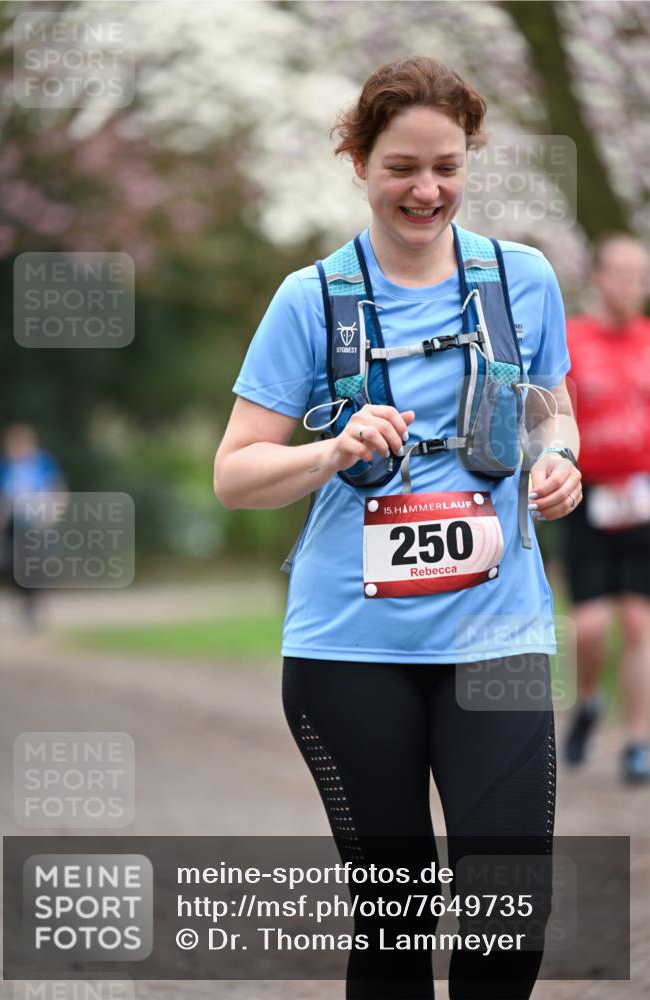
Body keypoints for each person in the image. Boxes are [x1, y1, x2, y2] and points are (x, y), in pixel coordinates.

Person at [215, 56, 581, 999]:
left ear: (469, 163)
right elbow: (235, 474)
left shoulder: (522, 280)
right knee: (397, 916)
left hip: (497, 640)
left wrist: (559, 463)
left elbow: (552, 407)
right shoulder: (309, 300)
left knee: (509, 910)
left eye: (446, 167)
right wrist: (329, 451)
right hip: (350, 651)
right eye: (401, 167)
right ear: (358, 163)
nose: (426, 190)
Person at [562, 234, 650, 783]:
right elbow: (549, 421)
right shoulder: (572, 341)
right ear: (597, 277)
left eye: (639, 274)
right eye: (619, 273)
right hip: (587, 498)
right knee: (591, 626)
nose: (630, 285)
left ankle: (637, 741)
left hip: (642, 497)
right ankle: (590, 701)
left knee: (640, 624)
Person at [0, 423, 64, 628]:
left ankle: (32, 602)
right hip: (13, 523)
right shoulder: (3, 465)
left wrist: (55, 512)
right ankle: (25, 598)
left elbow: (57, 488)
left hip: (36, 521)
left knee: (33, 565)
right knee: (12, 564)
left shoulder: (43, 462)